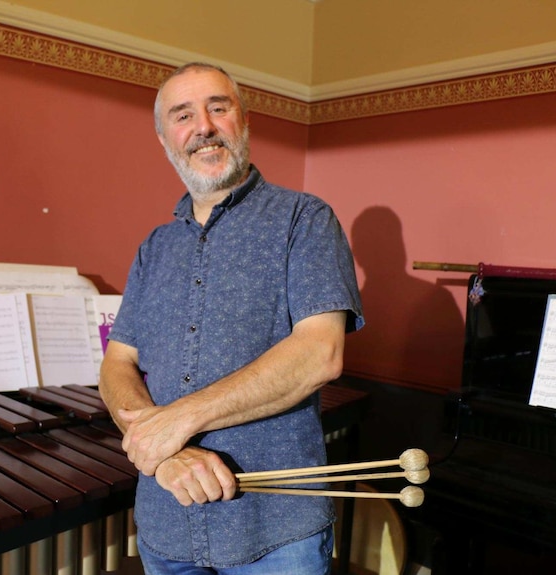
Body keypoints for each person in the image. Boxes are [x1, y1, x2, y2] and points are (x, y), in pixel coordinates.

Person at [98, 62, 364, 575]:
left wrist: (179, 419)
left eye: (218, 108)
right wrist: (163, 454)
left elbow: (320, 354)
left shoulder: (304, 220)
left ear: (243, 122)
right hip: (166, 523)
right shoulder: (154, 248)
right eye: (183, 115)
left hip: (276, 533)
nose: (203, 126)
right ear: (164, 138)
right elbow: (117, 364)